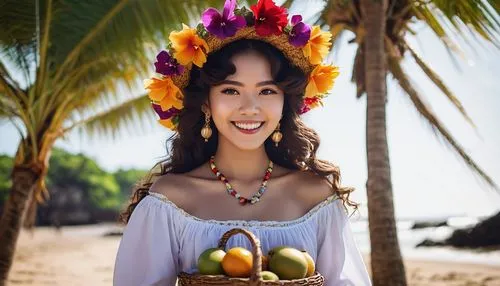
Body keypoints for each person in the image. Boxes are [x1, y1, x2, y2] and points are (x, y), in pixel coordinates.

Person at [113, 0, 371, 285]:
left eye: (267, 91)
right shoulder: (170, 200)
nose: (250, 107)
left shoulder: (316, 197)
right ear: (206, 104)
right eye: (231, 91)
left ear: (285, 103)